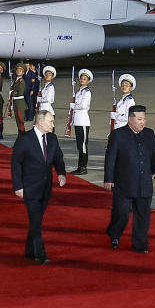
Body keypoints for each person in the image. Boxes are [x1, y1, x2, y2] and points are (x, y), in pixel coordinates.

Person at [11, 110, 66, 263]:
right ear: (40, 122)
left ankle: (29, 251)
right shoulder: (24, 139)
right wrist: (18, 186)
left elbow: (58, 158)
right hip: (29, 187)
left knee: (36, 221)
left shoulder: (53, 139)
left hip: (46, 187)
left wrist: (61, 173)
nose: (53, 125)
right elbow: (16, 164)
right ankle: (41, 254)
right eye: (50, 121)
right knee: (35, 220)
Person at [104, 105, 155, 252]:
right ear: (130, 119)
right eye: (139, 119)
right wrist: (108, 179)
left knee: (143, 215)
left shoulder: (149, 134)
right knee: (121, 213)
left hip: (144, 183)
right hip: (124, 182)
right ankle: (115, 233)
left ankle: (140, 245)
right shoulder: (118, 135)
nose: (143, 122)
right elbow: (110, 158)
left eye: (144, 119)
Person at [69, 69, 93, 175]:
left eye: (85, 79)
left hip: (83, 120)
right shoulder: (79, 91)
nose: (82, 80)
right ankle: (80, 167)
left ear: (88, 81)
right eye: (81, 79)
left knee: (83, 145)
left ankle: (83, 167)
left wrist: (74, 106)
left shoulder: (87, 92)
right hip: (77, 120)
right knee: (79, 145)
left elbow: (84, 106)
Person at [9, 63, 28, 137]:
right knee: (18, 121)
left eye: (20, 70)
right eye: (17, 70)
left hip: (20, 103)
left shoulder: (21, 81)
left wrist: (13, 92)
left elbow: (20, 92)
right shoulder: (16, 80)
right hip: (16, 102)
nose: (18, 71)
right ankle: (20, 136)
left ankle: (22, 137)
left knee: (20, 120)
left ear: (23, 72)